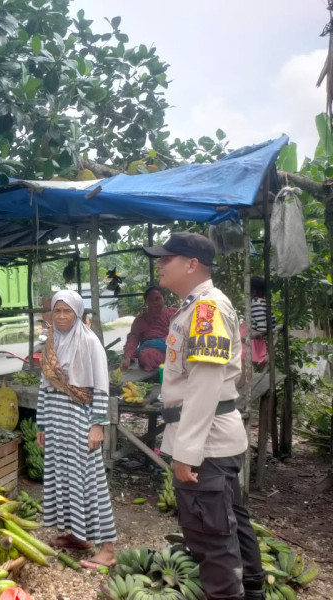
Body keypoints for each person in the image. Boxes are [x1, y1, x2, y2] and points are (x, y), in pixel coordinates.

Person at [143, 232, 264, 600]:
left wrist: (186, 451)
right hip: (215, 439)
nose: (160, 265)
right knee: (231, 524)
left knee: (211, 537)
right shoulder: (194, 305)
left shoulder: (206, 309)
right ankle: (254, 589)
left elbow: (205, 384)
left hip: (206, 443)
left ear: (192, 264)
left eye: (167, 258)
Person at [36, 290, 117, 570]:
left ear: (78, 312)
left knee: (90, 482)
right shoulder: (52, 343)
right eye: (57, 311)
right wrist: (42, 424)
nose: (61, 317)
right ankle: (78, 537)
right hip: (56, 423)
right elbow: (44, 387)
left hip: (80, 421)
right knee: (64, 478)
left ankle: (108, 549)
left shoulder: (90, 342)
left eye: (67, 311)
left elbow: (101, 387)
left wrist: (97, 426)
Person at [120, 286, 178, 371]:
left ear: (164, 298)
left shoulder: (175, 313)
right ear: (146, 302)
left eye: (157, 298)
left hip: (174, 349)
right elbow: (132, 339)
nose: (154, 302)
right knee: (146, 355)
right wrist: (127, 357)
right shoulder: (140, 320)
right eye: (150, 300)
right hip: (153, 354)